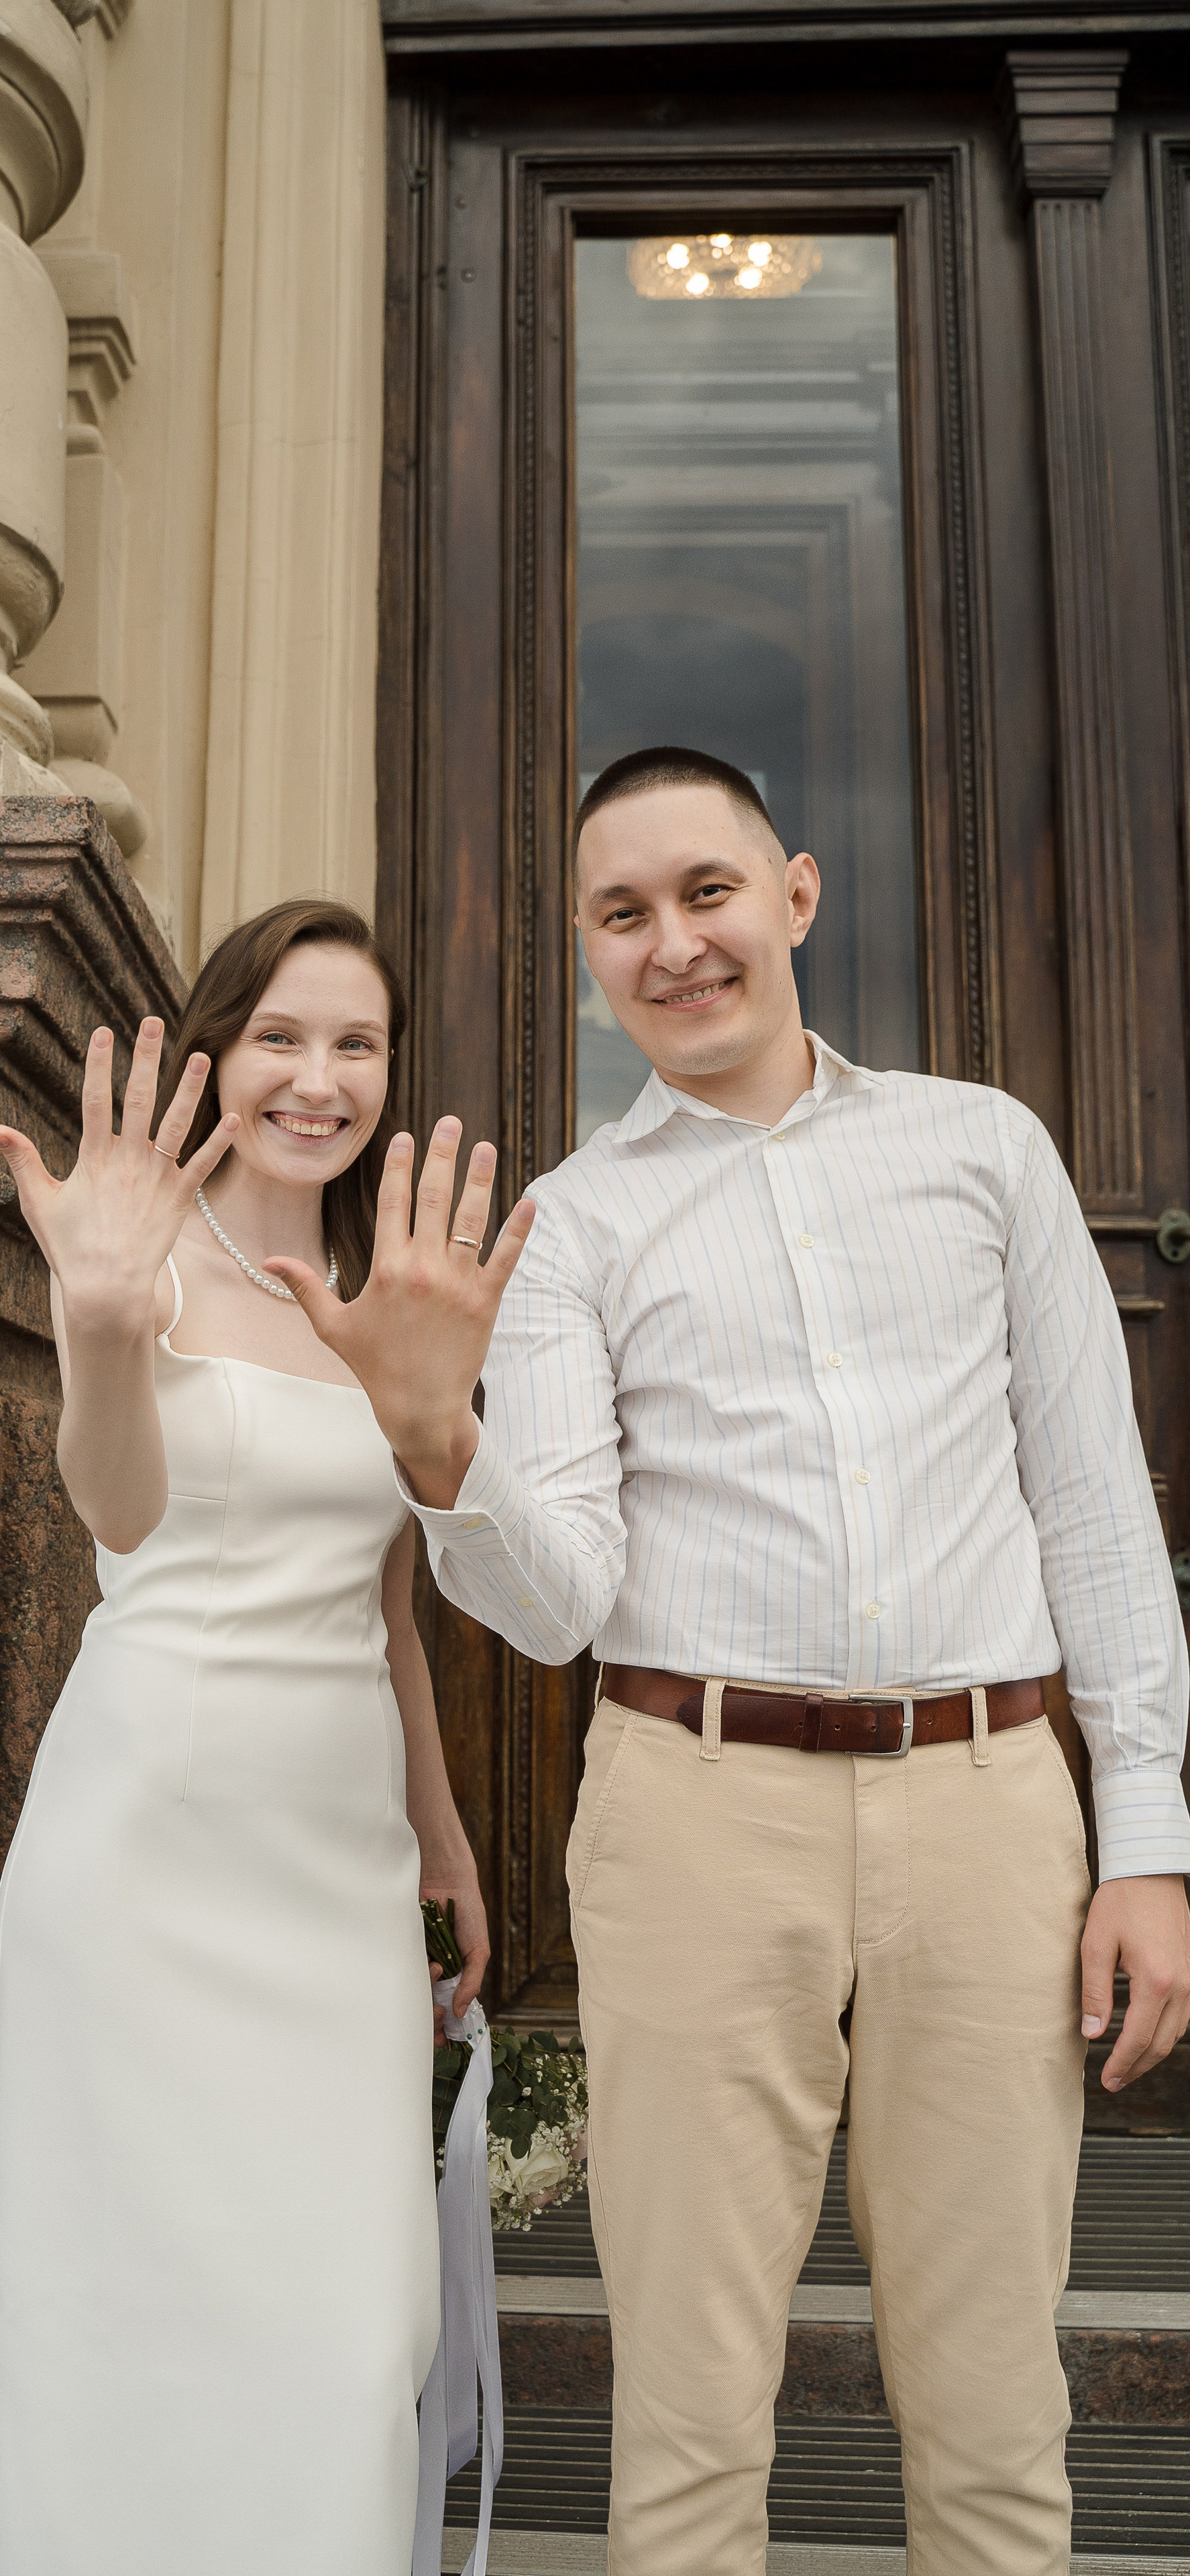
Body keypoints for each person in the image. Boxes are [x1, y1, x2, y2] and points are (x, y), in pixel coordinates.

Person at [270, 746, 1190, 2576]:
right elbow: (558, 1596)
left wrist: (1148, 1835)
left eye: (706, 893)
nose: (673, 944)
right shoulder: (572, 1226)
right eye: (624, 915)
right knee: (691, 2418)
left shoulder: (981, 1147)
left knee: (1001, 2409)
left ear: (795, 893)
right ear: (589, 956)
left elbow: (1094, 1507)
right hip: (693, 1812)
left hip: (992, 1806)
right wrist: (436, 1438)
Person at [0, 898, 490, 2576]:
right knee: (114, 2311)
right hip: (146, 1844)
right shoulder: (134, 1251)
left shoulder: (384, 1295)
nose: (314, 1079)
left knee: (344, 2328)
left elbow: (390, 1610)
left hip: (336, 1867)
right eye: (279, 1037)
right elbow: (115, 1512)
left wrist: (447, 1840)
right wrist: (99, 1329)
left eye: (355, 1045)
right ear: (214, 1050)